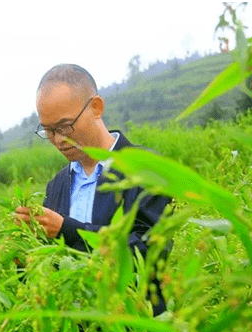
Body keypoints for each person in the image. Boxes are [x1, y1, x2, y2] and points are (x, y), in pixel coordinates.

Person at [15, 64, 171, 315]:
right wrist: (24, 259)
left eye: (65, 126)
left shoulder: (146, 169)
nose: (57, 140)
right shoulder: (57, 185)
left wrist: (67, 231)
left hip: (138, 331)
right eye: (48, 130)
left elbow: (147, 251)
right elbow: (54, 270)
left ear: (96, 108)